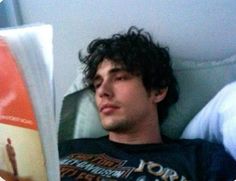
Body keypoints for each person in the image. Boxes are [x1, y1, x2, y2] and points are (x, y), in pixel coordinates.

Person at [59, 27, 236, 181]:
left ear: (157, 91)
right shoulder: (64, 150)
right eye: (97, 84)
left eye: (119, 78)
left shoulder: (202, 159)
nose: (102, 91)